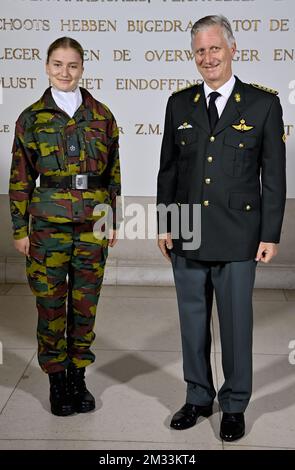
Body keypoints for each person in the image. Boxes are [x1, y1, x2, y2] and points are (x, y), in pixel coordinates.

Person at [157, 15, 286, 441]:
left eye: (214, 48)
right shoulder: (180, 104)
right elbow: (169, 170)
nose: (207, 57)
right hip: (188, 230)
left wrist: (270, 234)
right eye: (200, 51)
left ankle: (234, 404)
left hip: (238, 234)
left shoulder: (262, 104)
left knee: (235, 326)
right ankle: (197, 397)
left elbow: (274, 176)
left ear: (233, 49)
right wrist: (166, 224)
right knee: (193, 322)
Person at [9, 37, 121, 416]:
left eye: (72, 65)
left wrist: (113, 220)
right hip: (46, 226)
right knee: (51, 304)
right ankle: (57, 380)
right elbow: (20, 177)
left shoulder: (102, 115)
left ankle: (78, 376)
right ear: (46, 66)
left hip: (92, 224)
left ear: (83, 67)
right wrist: (19, 229)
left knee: (85, 304)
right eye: (57, 64)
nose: (65, 72)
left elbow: (113, 174)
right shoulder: (31, 118)